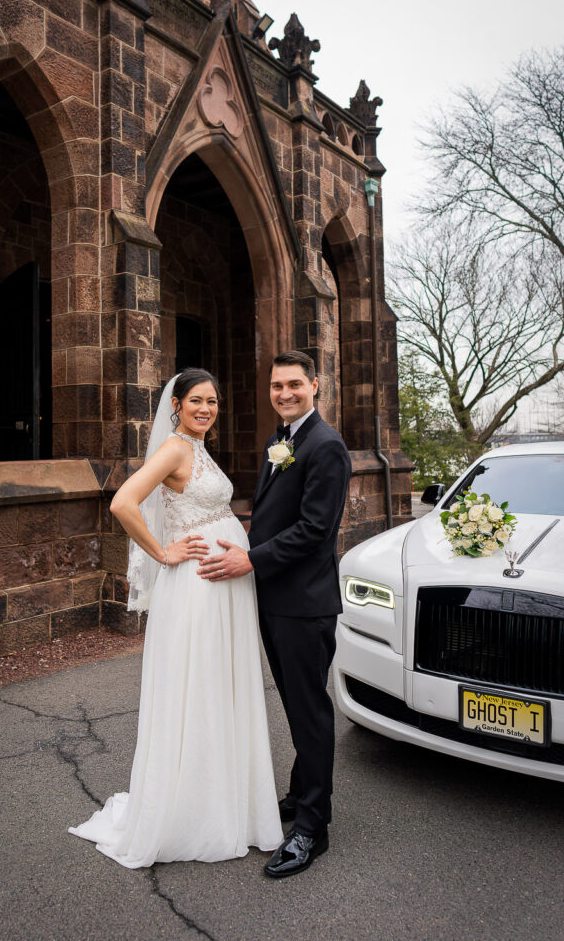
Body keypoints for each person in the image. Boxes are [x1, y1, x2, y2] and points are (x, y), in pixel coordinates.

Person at [69, 369, 283, 867]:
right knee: (199, 687)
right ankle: (194, 812)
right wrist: (162, 553)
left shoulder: (198, 447)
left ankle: (227, 802)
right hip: (198, 588)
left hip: (223, 584)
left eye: (213, 401)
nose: (206, 409)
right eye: (196, 401)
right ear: (177, 406)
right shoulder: (176, 449)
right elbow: (123, 502)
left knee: (219, 686)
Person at [199, 350, 352, 878]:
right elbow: (269, 514)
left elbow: (315, 531)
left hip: (304, 604)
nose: (284, 394)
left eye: (294, 385)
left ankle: (313, 827)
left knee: (309, 711)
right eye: (277, 386)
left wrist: (249, 558)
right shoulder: (280, 439)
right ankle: (300, 791)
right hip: (274, 598)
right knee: (295, 706)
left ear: (315, 385)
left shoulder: (326, 446)